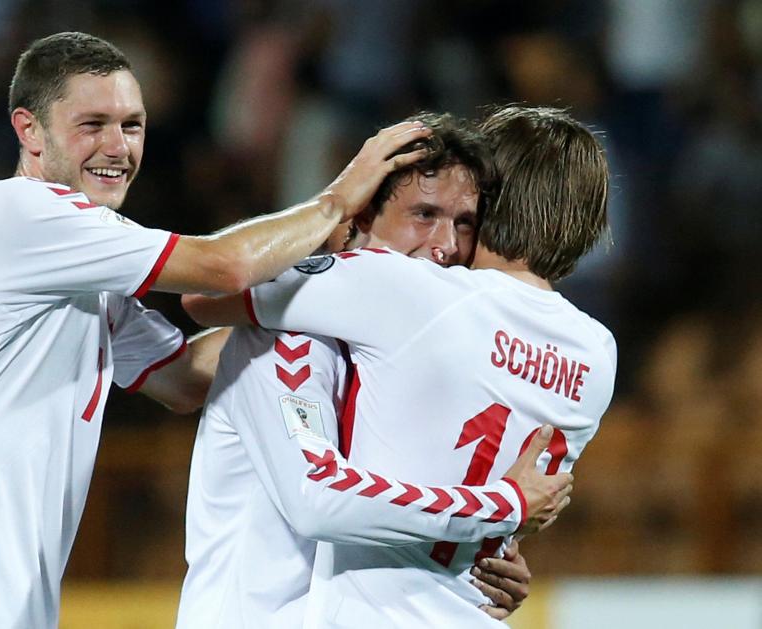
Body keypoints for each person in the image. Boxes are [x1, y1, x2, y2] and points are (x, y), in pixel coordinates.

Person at [0, 32, 433, 629]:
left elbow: (187, 379)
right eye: (92, 125)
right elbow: (225, 266)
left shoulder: (81, 276)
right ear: (28, 130)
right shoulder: (14, 214)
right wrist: (334, 204)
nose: (118, 147)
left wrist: (347, 298)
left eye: (132, 126)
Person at [184, 105, 616, 627]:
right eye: (425, 215)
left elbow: (210, 285)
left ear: (494, 206)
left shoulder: (408, 294)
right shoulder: (599, 353)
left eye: (463, 220)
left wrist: (331, 206)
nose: (444, 245)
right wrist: (494, 529)